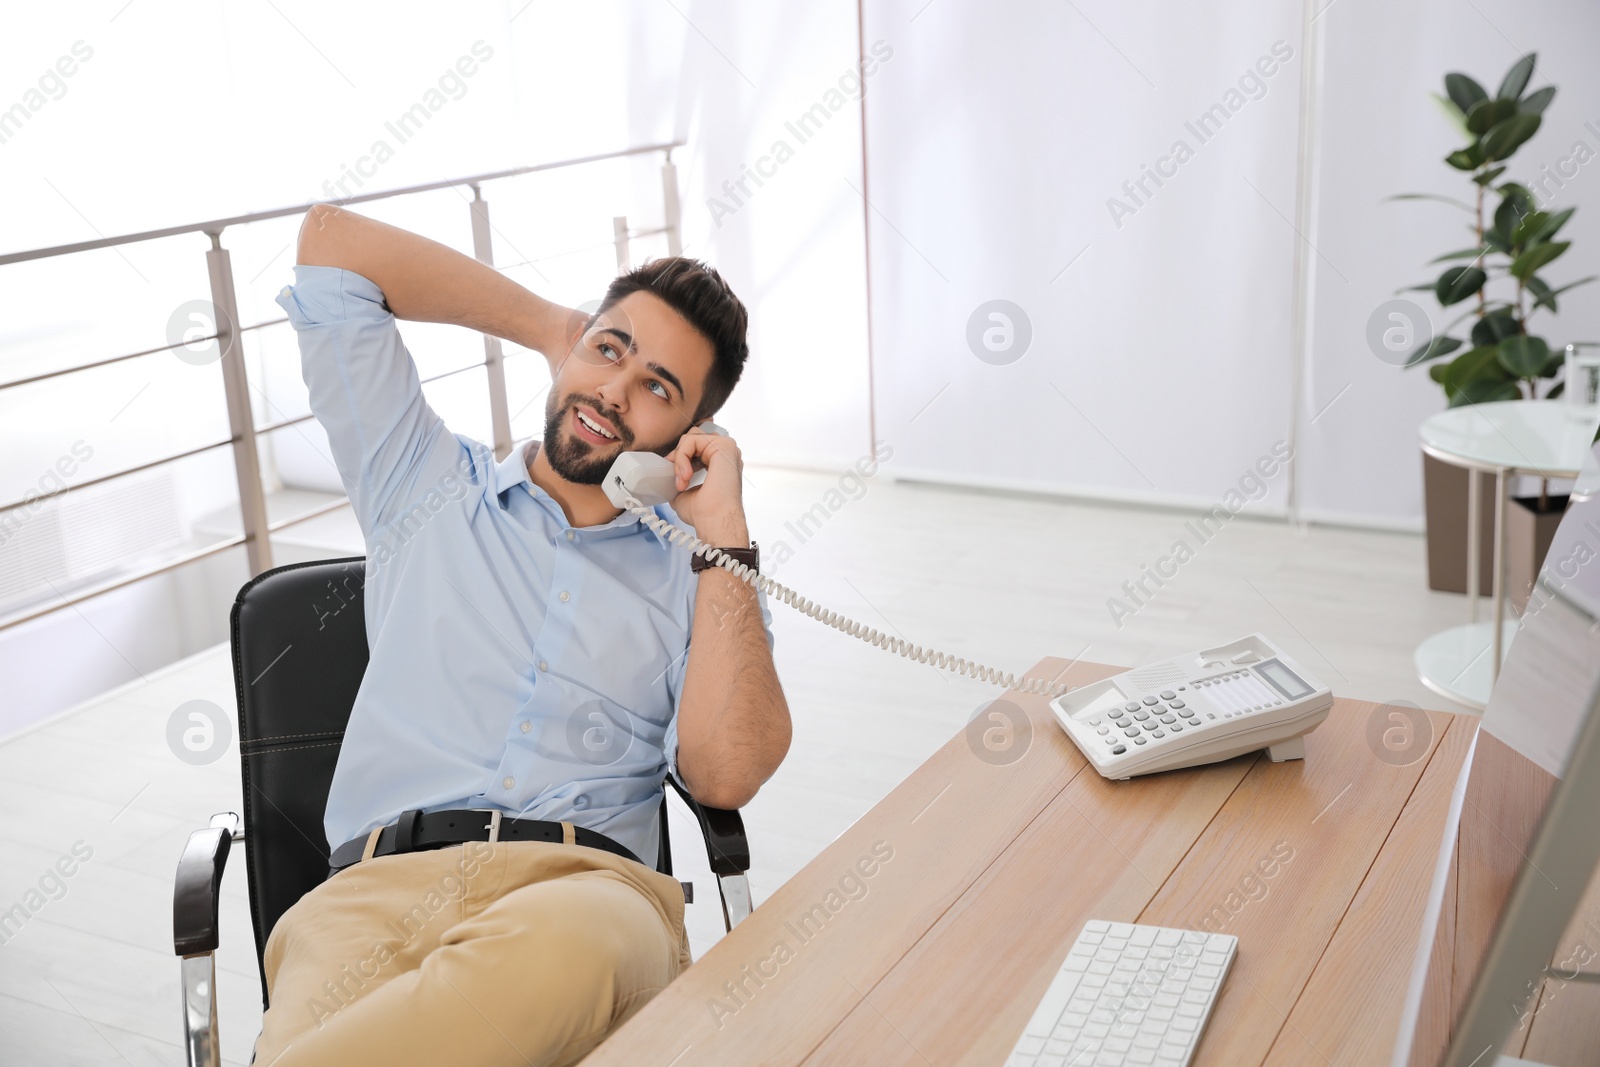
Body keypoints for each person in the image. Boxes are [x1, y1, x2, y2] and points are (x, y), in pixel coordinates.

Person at [252, 204, 791, 1066]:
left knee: (560, 949)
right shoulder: (420, 477)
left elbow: (727, 769)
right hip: (372, 893)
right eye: (609, 349)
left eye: (657, 387)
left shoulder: (700, 576)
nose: (614, 390)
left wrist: (723, 530)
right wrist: (555, 327)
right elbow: (330, 247)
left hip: (585, 897)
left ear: (690, 436)